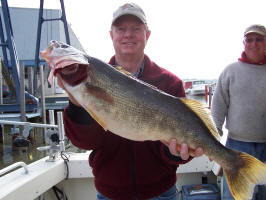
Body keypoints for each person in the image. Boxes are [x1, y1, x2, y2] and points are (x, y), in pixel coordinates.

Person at [58, 3, 203, 200]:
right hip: (110, 193)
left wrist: (176, 154)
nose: (128, 34)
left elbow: (180, 149)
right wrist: (76, 104)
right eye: (121, 29)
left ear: (147, 35)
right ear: (111, 35)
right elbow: (85, 142)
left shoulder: (171, 83)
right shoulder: (92, 78)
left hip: (161, 192)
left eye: (136, 29)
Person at [211, 24, 266, 200]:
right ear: (244, 43)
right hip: (236, 147)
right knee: (235, 197)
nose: (254, 44)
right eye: (249, 39)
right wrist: (212, 142)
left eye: (259, 39)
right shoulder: (230, 71)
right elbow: (217, 111)